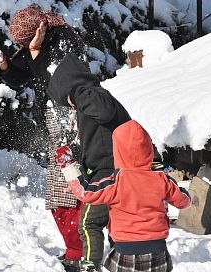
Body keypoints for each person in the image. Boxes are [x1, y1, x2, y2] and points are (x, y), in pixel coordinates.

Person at [0, 6, 86, 271]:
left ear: (40, 28)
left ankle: (80, 251)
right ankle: (77, 249)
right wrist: (3, 62)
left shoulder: (64, 40)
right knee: (63, 194)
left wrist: (35, 51)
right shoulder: (36, 42)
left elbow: (56, 80)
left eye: (26, 43)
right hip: (54, 123)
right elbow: (21, 77)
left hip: (73, 123)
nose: (24, 48)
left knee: (70, 192)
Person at [55, 120, 192, 272]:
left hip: (127, 251)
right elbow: (182, 202)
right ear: (148, 149)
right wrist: (186, 195)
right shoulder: (161, 179)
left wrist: (68, 166)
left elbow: (85, 193)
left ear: (118, 150)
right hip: (157, 251)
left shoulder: (116, 182)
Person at [47, 53, 132, 271]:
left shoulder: (86, 94)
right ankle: (121, 262)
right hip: (115, 170)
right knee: (116, 224)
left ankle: (89, 265)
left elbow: (102, 112)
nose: (70, 106)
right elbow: (101, 134)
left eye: (65, 100)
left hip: (108, 174)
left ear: (67, 89)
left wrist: (77, 94)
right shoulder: (96, 97)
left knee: (88, 222)